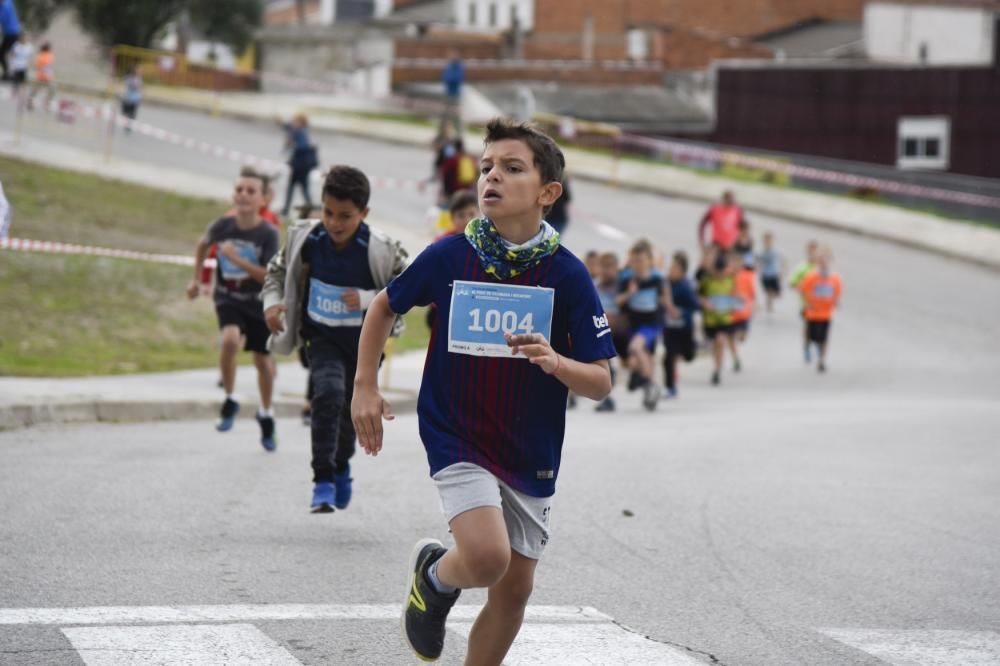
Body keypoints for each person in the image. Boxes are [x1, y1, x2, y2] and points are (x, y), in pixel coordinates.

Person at [351, 118, 614, 664]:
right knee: (488, 557)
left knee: (514, 591)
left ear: (547, 193)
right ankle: (436, 576)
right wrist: (364, 386)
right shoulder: (451, 255)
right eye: (487, 166)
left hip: (530, 446)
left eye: (512, 168)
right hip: (458, 431)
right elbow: (384, 304)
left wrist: (557, 360)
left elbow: (600, 381)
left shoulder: (567, 275)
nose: (491, 176)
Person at [263, 166, 408, 513]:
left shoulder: (381, 249)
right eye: (328, 213)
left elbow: (407, 287)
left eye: (345, 216)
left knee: (349, 412)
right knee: (327, 395)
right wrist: (273, 304)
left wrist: (367, 298)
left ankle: (342, 464)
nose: (334, 223)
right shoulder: (307, 241)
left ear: (364, 214)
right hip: (322, 338)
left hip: (364, 348)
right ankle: (322, 480)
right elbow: (277, 271)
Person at [186, 169, 279, 451]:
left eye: (251, 191)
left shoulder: (268, 233)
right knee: (228, 341)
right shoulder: (222, 226)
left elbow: (266, 275)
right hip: (227, 297)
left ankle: (266, 414)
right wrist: (197, 280)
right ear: (233, 195)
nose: (243, 195)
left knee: (263, 362)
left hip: (258, 302)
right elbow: (202, 246)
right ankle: (230, 399)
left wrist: (235, 258)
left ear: (262, 199)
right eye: (239, 189)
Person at [615, 239, 668, 411]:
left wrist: (668, 308)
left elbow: (665, 300)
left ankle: (651, 385)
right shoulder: (627, 279)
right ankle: (649, 390)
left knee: (636, 348)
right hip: (633, 325)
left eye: (642, 260)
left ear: (649, 261)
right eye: (635, 261)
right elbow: (618, 301)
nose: (638, 264)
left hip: (650, 325)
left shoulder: (657, 279)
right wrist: (630, 294)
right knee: (634, 361)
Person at [798, 245, 842, 373]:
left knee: (824, 338)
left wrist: (836, 302)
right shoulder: (811, 277)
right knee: (811, 336)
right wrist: (807, 303)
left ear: (831, 261)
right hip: (812, 313)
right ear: (817, 261)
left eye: (826, 259)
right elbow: (802, 290)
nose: (823, 262)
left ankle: (822, 360)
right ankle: (807, 346)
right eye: (821, 259)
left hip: (826, 314)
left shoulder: (835, 279)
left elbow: (837, 293)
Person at [662, 251, 700, 398]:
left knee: (689, 355)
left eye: (675, 269)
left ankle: (693, 346)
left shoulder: (686, 287)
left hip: (685, 328)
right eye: (670, 268)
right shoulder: (665, 285)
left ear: (682, 272)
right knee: (668, 357)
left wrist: (681, 312)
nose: (671, 272)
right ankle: (670, 387)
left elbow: (695, 306)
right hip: (670, 328)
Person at [698, 246, 737, 386]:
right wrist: (705, 303)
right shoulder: (707, 280)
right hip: (710, 319)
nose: (720, 274)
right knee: (715, 344)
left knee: (720, 341)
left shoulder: (730, 280)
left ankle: (718, 369)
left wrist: (736, 303)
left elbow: (736, 295)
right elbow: (699, 296)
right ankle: (716, 366)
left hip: (725, 318)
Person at [593, 251, 624, 412]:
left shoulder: (621, 285)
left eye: (610, 267)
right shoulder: (595, 285)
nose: (606, 271)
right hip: (602, 330)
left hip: (620, 331)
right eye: (603, 267)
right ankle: (607, 398)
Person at [278, 114, 317, 216]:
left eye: (296, 121)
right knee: (295, 188)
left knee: (302, 189)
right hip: (299, 167)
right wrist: (281, 122)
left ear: (301, 123)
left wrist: (292, 143)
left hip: (301, 168)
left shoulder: (302, 133)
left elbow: (302, 147)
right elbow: (288, 127)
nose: (294, 123)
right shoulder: (298, 131)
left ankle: (309, 209)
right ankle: (287, 209)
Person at [789, 240, 819, 362]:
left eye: (815, 251)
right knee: (807, 327)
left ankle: (817, 345)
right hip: (805, 303)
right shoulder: (802, 267)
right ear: (807, 252)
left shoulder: (820, 268)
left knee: (818, 327)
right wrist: (800, 288)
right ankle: (806, 348)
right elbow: (792, 283)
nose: (813, 254)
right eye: (810, 251)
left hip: (820, 305)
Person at [729, 252, 756, 350]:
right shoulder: (727, 275)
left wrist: (753, 305)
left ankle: (735, 350)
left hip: (743, 312)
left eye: (737, 263)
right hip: (730, 312)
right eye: (733, 262)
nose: (735, 265)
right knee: (731, 336)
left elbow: (752, 292)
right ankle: (735, 358)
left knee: (742, 336)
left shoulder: (747, 275)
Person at [757, 231, 783, 313]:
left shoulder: (775, 251)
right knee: (768, 291)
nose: (767, 243)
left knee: (776, 293)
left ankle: (768, 304)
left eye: (769, 241)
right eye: (766, 241)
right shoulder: (762, 252)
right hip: (765, 274)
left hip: (774, 274)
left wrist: (782, 273)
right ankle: (768, 305)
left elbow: (781, 261)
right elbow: (758, 262)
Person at [440, 48, 464, 135]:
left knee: (456, 117)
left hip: (455, 94)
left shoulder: (459, 66)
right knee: (444, 116)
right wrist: (448, 76)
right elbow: (444, 77)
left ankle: (459, 136)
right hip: (448, 94)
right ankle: (441, 135)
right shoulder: (449, 65)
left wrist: (449, 76)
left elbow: (456, 78)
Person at [27, 42, 54, 111]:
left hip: (47, 76)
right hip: (42, 76)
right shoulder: (41, 56)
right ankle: (30, 101)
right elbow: (40, 66)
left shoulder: (49, 55)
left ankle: (46, 102)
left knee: (51, 90)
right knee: (37, 90)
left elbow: (49, 66)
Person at [0, 0, 21, 82]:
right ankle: (8, 74)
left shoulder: (4, 9)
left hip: (12, 34)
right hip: (12, 33)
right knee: (3, 53)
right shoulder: (9, 2)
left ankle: (9, 74)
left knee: (4, 54)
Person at [120, 65, 143, 130]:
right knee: (128, 113)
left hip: (132, 98)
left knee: (130, 113)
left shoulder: (136, 78)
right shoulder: (131, 78)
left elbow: (139, 87)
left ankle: (128, 124)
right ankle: (128, 123)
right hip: (129, 98)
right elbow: (135, 86)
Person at [9, 33, 29, 98]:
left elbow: (29, 56)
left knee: (23, 80)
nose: (24, 40)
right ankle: (14, 91)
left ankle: (23, 93)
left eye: (25, 39)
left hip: (24, 66)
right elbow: (12, 54)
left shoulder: (28, 47)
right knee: (16, 80)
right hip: (17, 65)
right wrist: (12, 63)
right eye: (23, 39)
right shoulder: (16, 45)